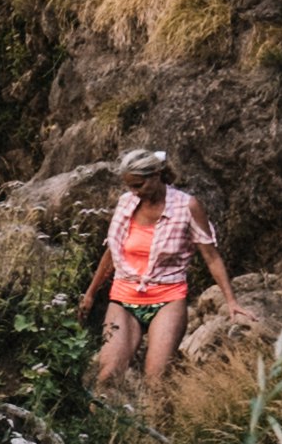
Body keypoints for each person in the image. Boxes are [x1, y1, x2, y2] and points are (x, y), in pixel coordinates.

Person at [91, 146, 224, 397]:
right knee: (107, 377)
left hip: (167, 297)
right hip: (124, 295)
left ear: (156, 175)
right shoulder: (126, 204)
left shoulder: (187, 206)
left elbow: (211, 257)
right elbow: (111, 253)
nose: (134, 192)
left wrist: (232, 301)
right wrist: (90, 293)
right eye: (130, 186)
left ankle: (160, 431)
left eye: (139, 185)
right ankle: (103, 435)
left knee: (156, 381)